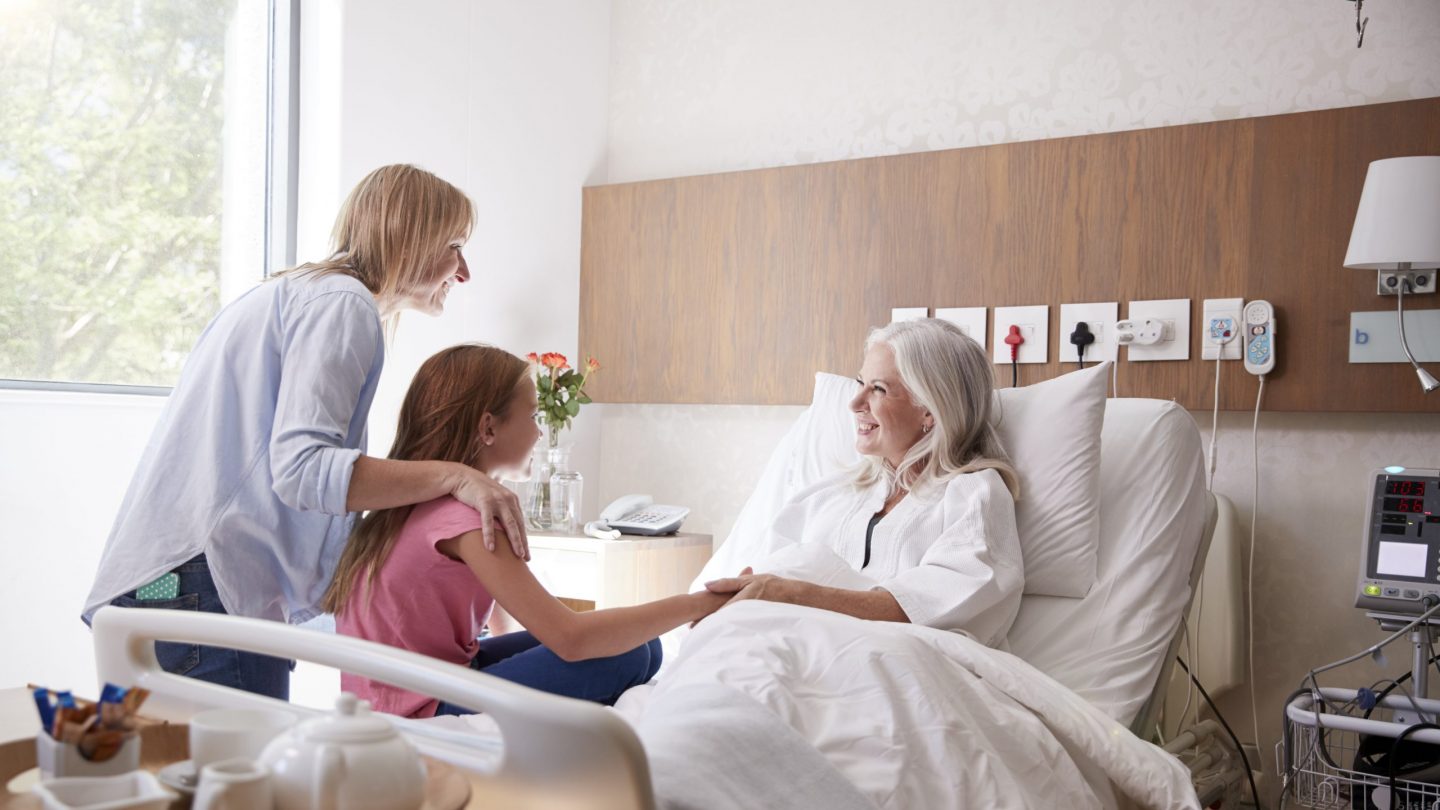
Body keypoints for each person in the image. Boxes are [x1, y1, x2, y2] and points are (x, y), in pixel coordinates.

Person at [82, 165, 529, 700]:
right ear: (411, 237)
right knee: (240, 777)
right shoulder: (342, 304)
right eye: (454, 245)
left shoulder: (297, 294)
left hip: (170, 586)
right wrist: (458, 477)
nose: (463, 271)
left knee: (188, 776)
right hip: (202, 586)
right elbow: (302, 471)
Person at [327, 344, 731, 717]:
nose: (540, 432)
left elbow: (507, 617)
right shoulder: (465, 519)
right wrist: (698, 604)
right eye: (534, 415)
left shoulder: (416, 503)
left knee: (642, 645)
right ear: (488, 428)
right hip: (418, 706)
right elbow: (569, 637)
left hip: (417, 683)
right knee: (625, 655)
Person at [704, 318, 1024, 647]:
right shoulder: (828, 495)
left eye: (878, 390)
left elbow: (937, 606)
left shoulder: (973, 495)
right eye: (861, 383)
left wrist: (792, 594)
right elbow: (752, 590)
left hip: (900, 668)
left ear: (929, 410)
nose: (855, 403)